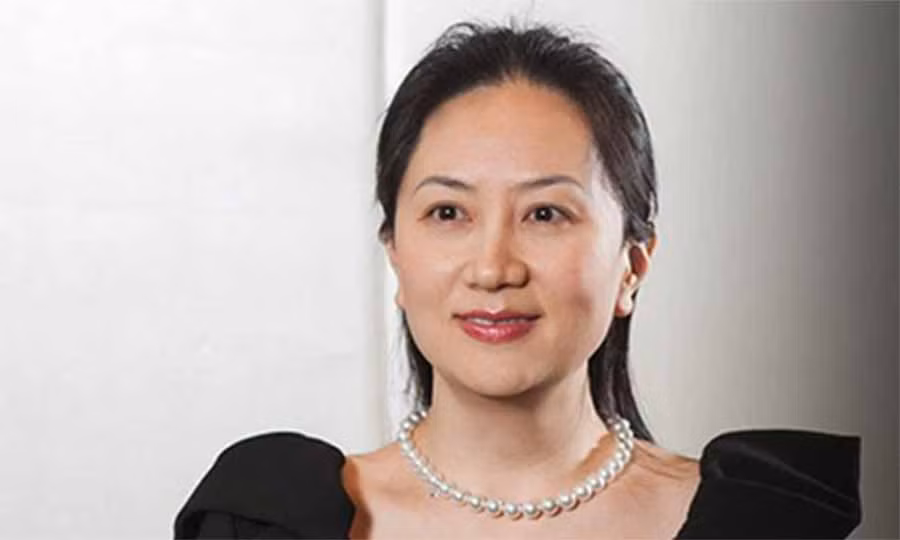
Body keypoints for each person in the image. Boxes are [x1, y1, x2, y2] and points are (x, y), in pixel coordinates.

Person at [173, 22, 861, 539]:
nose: (493, 268)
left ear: (632, 264)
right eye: (448, 213)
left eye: (545, 214)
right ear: (396, 256)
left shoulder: (760, 522)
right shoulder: (270, 522)